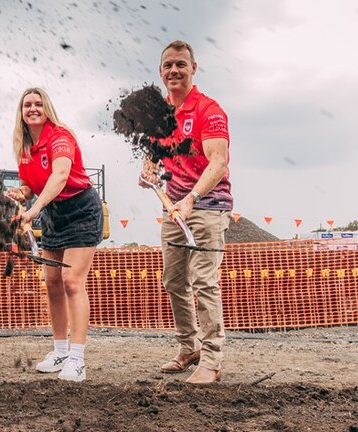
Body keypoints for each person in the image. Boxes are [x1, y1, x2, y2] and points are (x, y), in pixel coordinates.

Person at [140, 40, 231, 385]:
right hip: (173, 208)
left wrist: (192, 197)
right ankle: (188, 347)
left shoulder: (209, 110)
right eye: (168, 66)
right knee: (174, 281)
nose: (174, 71)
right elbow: (153, 153)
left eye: (181, 64)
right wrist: (148, 170)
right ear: (160, 72)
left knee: (204, 280)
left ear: (194, 68)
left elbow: (218, 162)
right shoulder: (160, 114)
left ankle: (211, 359)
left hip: (208, 206)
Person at [6, 88, 103, 383]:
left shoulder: (60, 136)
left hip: (80, 209)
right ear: (21, 112)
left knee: (72, 281)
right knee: (51, 282)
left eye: (38, 104)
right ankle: (60, 350)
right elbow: (28, 183)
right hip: (53, 214)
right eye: (27, 105)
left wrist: (33, 209)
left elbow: (60, 176)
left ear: (46, 108)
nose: (33, 108)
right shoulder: (24, 146)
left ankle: (77, 358)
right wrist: (19, 193)